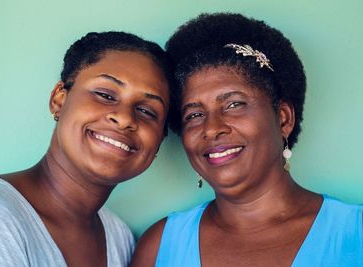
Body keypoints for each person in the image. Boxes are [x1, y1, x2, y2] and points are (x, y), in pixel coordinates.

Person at [131, 13, 363, 266]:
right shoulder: (160, 245)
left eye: (234, 104)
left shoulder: (356, 232)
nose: (211, 128)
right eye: (194, 114)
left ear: (283, 119)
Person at [0, 31, 171, 267]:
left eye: (147, 111)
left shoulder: (119, 236)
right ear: (59, 100)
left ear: (160, 140)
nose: (124, 118)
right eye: (105, 94)